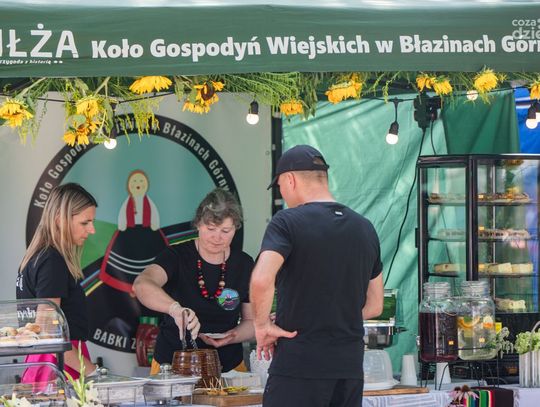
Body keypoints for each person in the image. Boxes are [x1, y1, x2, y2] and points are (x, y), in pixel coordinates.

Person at [250, 145, 384, 407]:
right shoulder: (365, 227)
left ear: (290, 180)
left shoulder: (286, 221)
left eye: (280, 186)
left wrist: (262, 326)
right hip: (348, 369)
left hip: (299, 366)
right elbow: (375, 305)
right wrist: (329, 318)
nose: (282, 194)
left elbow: (261, 279)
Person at [134, 188, 255, 374]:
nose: (217, 237)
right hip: (174, 364)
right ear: (198, 223)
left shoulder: (244, 264)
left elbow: (252, 321)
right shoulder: (176, 256)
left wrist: (232, 336)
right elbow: (142, 284)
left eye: (225, 231)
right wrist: (175, 309)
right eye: (210, 229)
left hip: (228, 366)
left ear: (235, 229)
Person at [16, 183, 98, 379]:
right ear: (60, 220)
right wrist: (95, 373)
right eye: (85, 223)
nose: (92, 230)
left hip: (44, 362)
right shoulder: (52, 261)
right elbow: (48, 334)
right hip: (58, 366)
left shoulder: (37, 257)